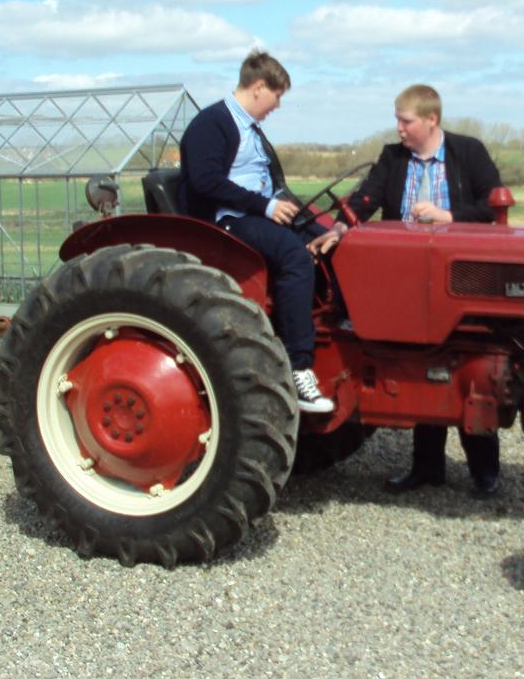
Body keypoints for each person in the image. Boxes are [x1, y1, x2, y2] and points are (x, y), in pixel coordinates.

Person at [311, 84, 502, 495]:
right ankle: (427, 467)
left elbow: (492, 207)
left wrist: (446, 214)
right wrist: (342, 227)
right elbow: (365, 199)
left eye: (406, 120)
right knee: (421, 362)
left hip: (458, 279)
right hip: (405, 278)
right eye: (397, 119)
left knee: (467, 359)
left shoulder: (469, 152)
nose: (399, 128)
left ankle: (485, 471)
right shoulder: (392, 158)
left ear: (431, 120)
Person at [178, 50, 341, 414]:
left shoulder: (249, 129)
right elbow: (205, 182)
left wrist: (311, 222)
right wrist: (265, 206)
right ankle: (298, 366)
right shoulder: (212, 123)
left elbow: (272, 182)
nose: (277, 105)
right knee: (295, 256)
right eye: (277, 96)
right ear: (258, 87)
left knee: (330, 241)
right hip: (226, 219)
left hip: (256, 210)